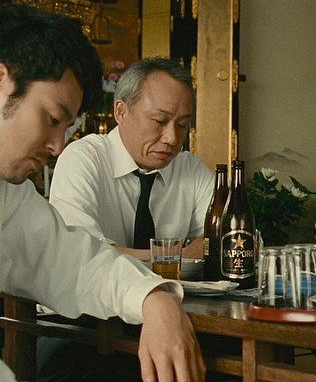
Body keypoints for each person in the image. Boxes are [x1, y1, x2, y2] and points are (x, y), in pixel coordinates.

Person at [0, 4, 204, 382]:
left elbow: (74, 262)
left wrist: (154, 297)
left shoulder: (9, 194)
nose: (57, 146)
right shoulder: (84, 159)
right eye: (52, 118)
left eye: (67, 127)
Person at [49, 57, 213, 260]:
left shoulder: (191, 169)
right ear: (121, 112)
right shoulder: (83, 159)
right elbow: (79, 251)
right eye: (159, 121)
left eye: (181, 125)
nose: (172, 138)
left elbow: (228, 238)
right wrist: (176, 255)